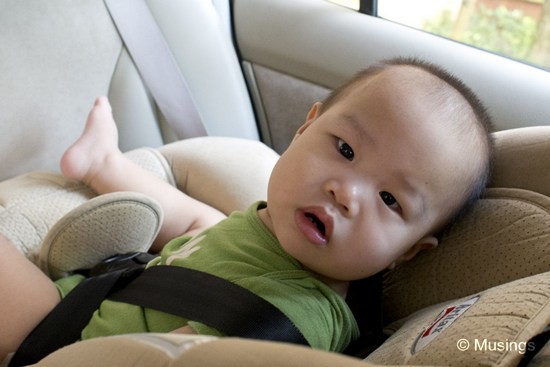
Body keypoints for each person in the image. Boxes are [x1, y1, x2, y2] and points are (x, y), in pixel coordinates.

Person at [0, 57, 494, 359]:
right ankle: (103, 163)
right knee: (203, 221)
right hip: (120, 291)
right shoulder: (275, 231)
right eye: (344, 150)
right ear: (305, 128)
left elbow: (153, 360)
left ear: (407, 252)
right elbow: (203, 234)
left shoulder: (291, 319)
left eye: (390, 200)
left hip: (58, 335)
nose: (347, 193)